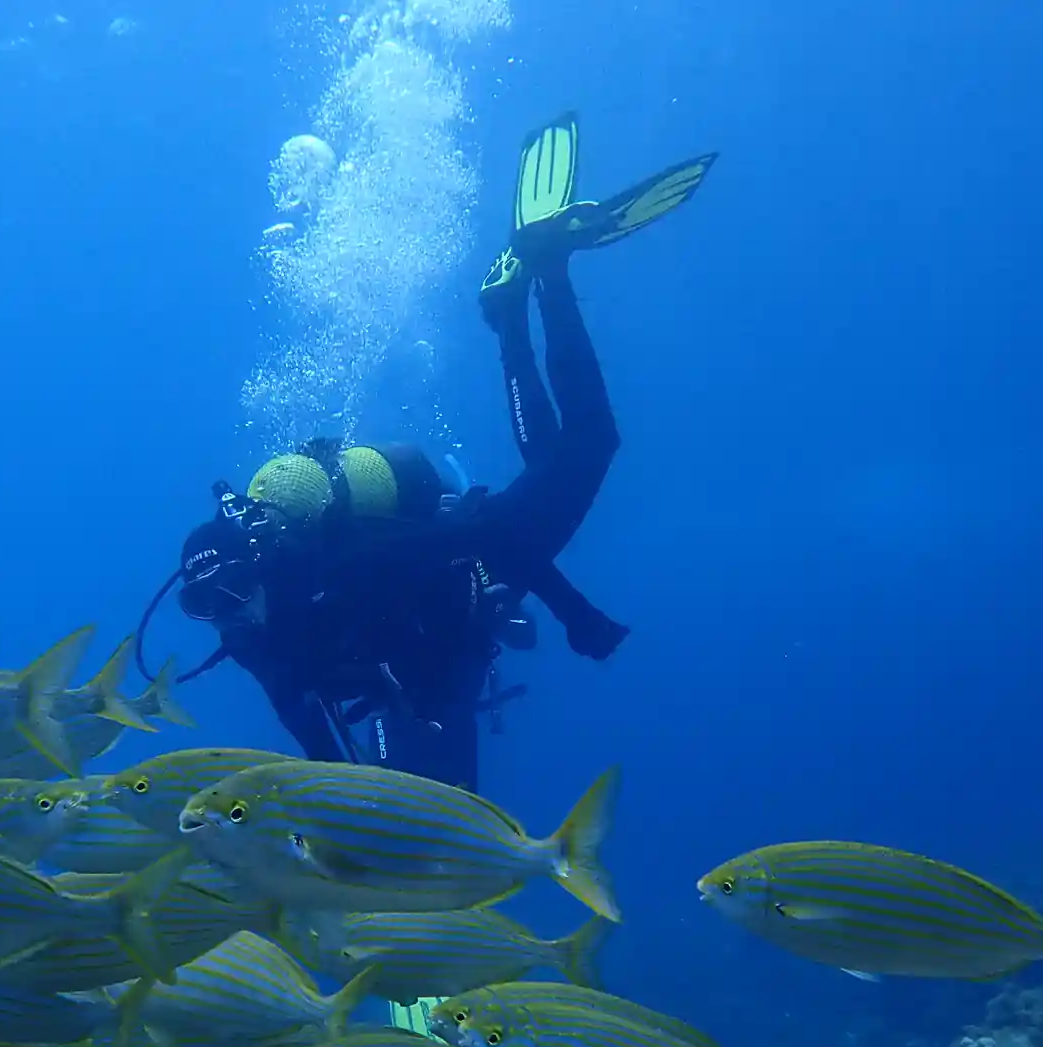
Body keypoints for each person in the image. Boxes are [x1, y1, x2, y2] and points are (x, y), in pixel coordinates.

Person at [145, 114, 717, 790]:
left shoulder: (343, 562)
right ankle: (508, 315)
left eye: (234, 591)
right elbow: (310, 732)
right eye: (206, 607)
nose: (231, 614)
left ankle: (549, 270)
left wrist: (574, 614)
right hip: (422, 671)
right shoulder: (248, 641)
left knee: (592, 444)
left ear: (261, 564)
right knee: (433, 806)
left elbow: (490, 534)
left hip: (469, 561)